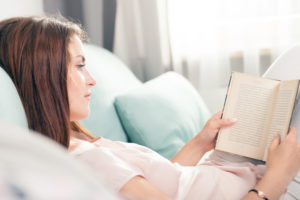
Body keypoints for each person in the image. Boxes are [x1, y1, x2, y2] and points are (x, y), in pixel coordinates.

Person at [0, 16, 300, 200]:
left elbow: (171, 181)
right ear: (44, 78)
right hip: (271, 187)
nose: (91, 81)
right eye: (79, 66)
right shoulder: (87, 162)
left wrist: (201, 141)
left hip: (242, 170)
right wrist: (276, 179)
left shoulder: (80, 143)